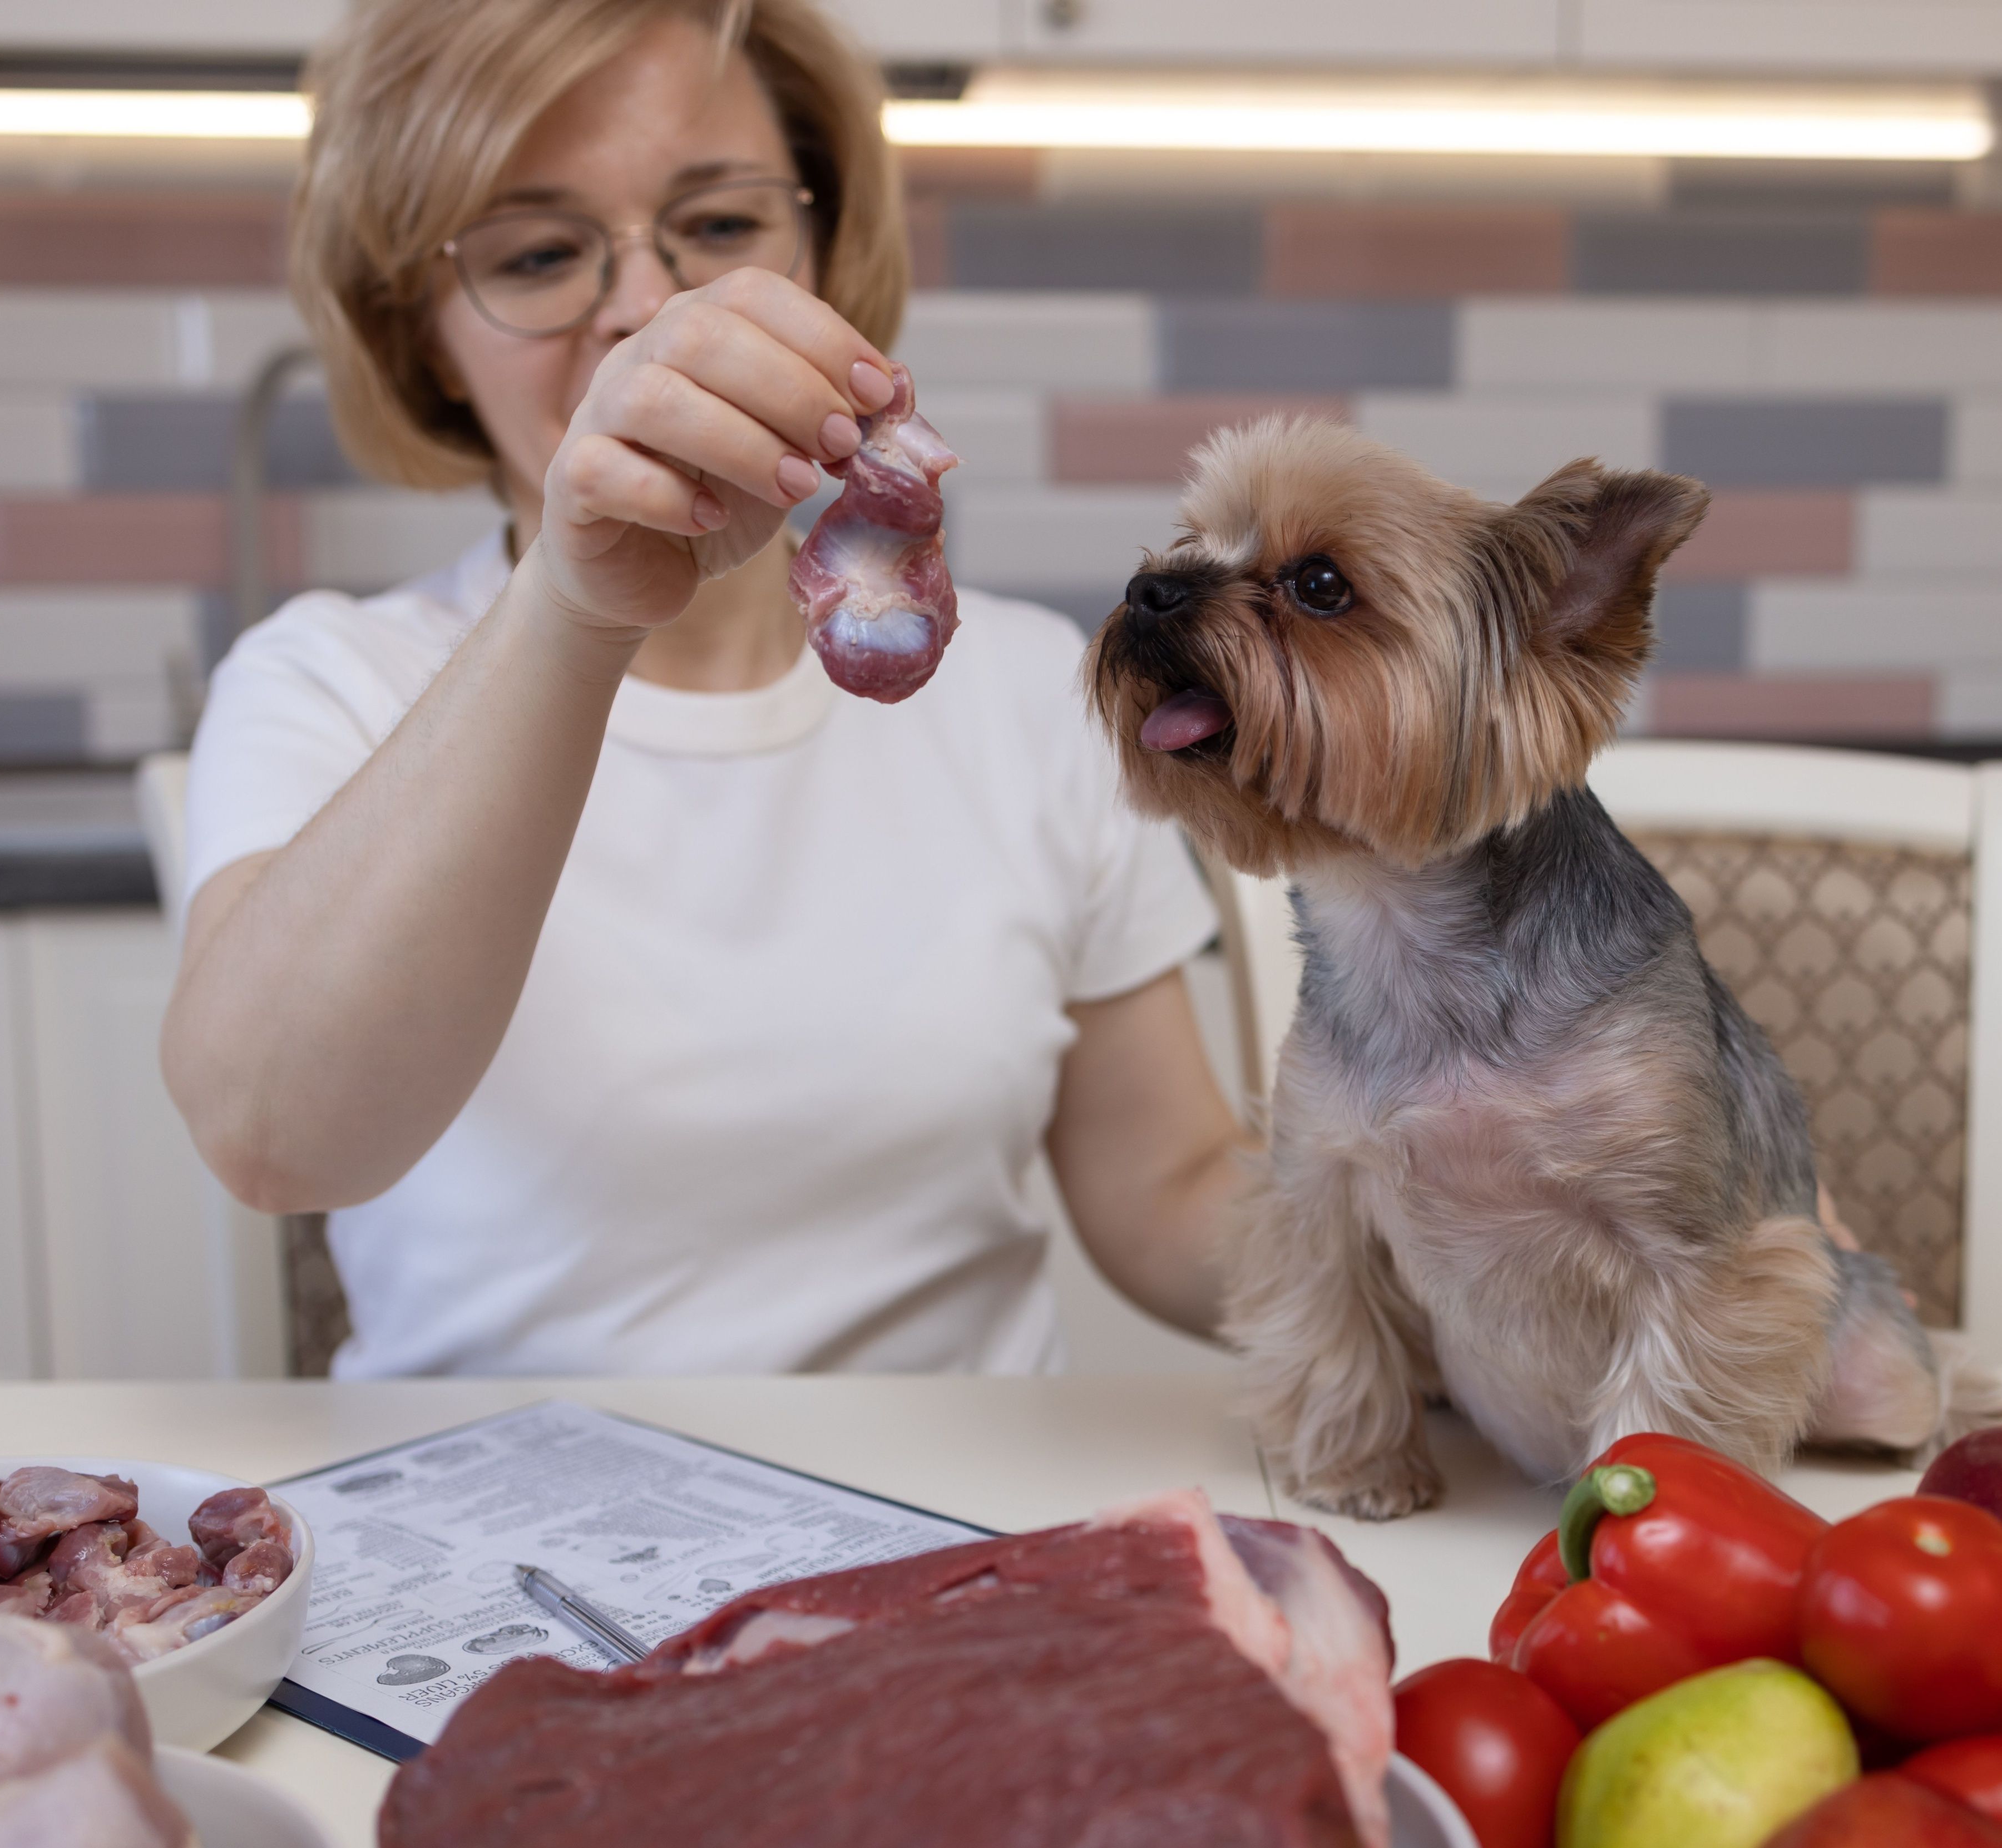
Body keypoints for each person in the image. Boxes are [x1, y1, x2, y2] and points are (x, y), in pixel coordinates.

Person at [161, 0, 1249, 1379]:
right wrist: (572, 599)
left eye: (723, 228)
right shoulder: (331, 682)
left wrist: (1459, 1268)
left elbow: (1164, 1189)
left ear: (825, 249)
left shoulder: (1034, 692)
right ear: (424, 334)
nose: (644, 311)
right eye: (541, 253)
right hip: (499, 1539)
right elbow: (274, 1137)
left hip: (954, 1543)